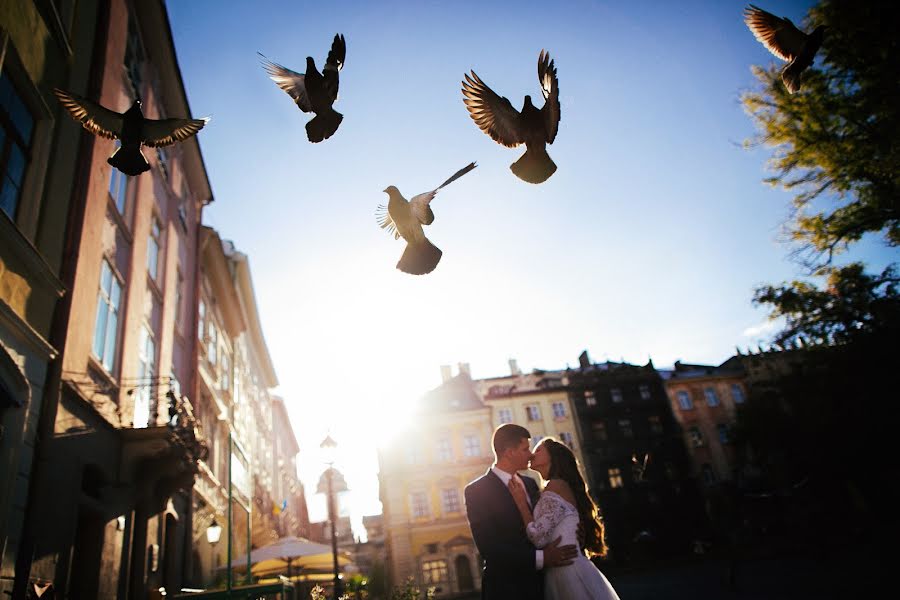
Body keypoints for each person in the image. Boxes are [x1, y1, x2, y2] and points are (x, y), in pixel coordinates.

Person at [465, 424, 578, 600]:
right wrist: (543, 558)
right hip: (507, 590)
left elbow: (545, 524)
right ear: (510, 452)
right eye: (525, 449)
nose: (531, 454)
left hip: (543, 587)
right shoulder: (477, 490)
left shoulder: (531, 484)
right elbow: (490, 549)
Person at [509, 437, 621, 600]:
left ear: (552, 457)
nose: (533, 454)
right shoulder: (557, 486)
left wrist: (521, 504)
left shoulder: (556, 486)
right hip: (566, 568)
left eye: (538, 449)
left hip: (567, 572)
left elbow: (539, 538)